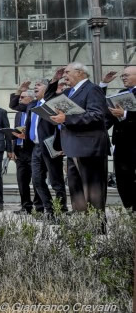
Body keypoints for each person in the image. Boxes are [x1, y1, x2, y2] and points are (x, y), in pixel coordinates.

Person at [50, 63, 111, 217]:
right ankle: (82, 227)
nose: (64, 75)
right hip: (72, 147)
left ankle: (96, 229)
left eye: (67, 72)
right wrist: (53, 81)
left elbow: (97, 115)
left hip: (89, 147)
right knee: (76, 190)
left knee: (92, 191)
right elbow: (49, 99)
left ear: (80, 72)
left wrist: (67, 118)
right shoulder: (70, 91)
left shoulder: (92, 89)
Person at [23, 76, 68, 217]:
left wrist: (62, 145)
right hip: (36, 148)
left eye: (39, 85)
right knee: (36, 180)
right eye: (34, 85)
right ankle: (48, 208)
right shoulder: (32, 105)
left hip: (51, 146)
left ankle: (61, 210)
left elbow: (61, 126)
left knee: (56, 181)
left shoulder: (52, 102)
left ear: (48, 88)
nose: (35, 87)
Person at [104, 66, 136, 213]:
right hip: (121, 144)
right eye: (122, 75)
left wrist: (125, 114)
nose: (123, 77)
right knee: (123, 180)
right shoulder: (121, 93)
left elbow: (124, 114)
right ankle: (129, 209)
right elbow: (109, 117)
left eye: (126, 75)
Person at [10, 89, 42, 215]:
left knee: (36, 180)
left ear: (30, 99)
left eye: (22, 97)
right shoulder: (19, 114)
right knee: (22, 181)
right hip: (19, 151)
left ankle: (39, 207)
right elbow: (16, 132)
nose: (20, 99)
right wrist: (13, 149)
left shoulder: (33, 110)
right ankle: (26, 207)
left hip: (32, 150)